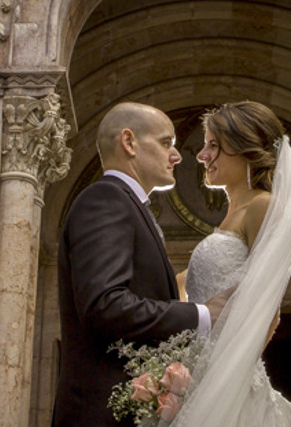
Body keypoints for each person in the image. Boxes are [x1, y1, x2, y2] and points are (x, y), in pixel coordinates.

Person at [52, 102, 230, 427]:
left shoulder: (125, 204)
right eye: (166, 143)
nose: (176, 156)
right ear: (129, 142)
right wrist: (202, 315)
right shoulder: (105, 200)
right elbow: (104, 305)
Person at [172, 101, 291, 427]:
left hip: (227, 380)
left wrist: (224, 380)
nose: (201, 155)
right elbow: (188, 286)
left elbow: (268, 309)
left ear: (244, 148)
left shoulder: (262, 206)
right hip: (199, 372)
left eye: (213, 146)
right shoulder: (232, 215)